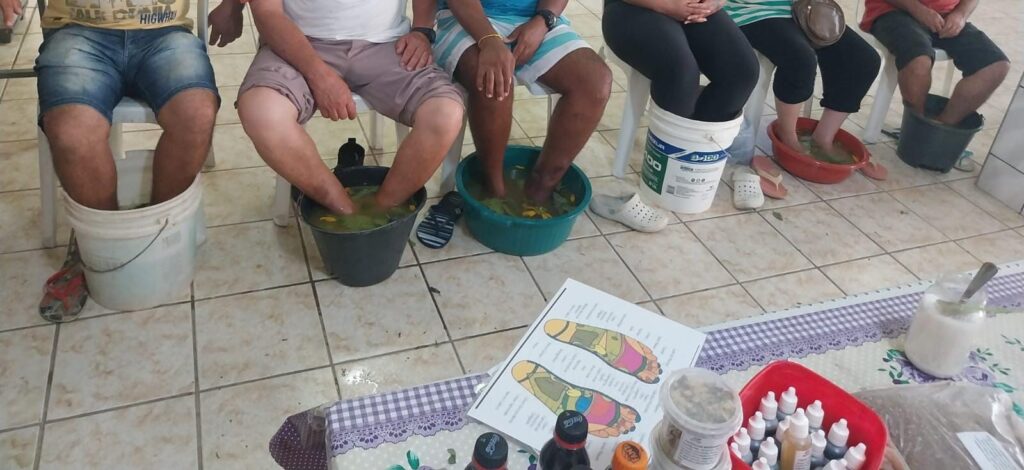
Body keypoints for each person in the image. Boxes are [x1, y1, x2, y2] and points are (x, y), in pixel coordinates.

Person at [232, 0, 465, 215]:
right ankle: (343, 207)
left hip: (388, 44)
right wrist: (318, 75)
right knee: (262, 113)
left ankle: (380, 210)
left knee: (444, 114)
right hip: (297, 44)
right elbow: (267, 12)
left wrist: (422, 30)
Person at [2, 0, 219, 211]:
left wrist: (231, 6)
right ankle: (104, 232)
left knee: (196, 114)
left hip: (166, 32)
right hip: (77, 31)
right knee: (74, 132)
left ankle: (161, 225)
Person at [436, 0, 612, 202]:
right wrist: (489, 41)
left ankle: (540, 190)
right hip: (466, 18)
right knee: (493, 80)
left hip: (535, 18)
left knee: (594, 82)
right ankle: (494, 191)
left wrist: (543, 20)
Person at [725, 0, 881, 155]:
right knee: (801, 59)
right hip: (750, 10)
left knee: (863, 60)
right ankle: (787, 136)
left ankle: (824, 137)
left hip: (802, 6)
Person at [603, 0, 759, 124]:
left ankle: (698, 148)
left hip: (694, 5)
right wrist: (668, 5)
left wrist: (717, 2)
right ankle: (669, 151)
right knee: (680, 73)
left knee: (741, 71)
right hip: (632, 6)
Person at [861, 0, 1009, 128]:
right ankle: (916, 126)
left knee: (996, 66)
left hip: (946, 17)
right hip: (892, 11)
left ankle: (939, 128)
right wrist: (919, 10)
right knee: (918, 61)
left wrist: (960, 15)